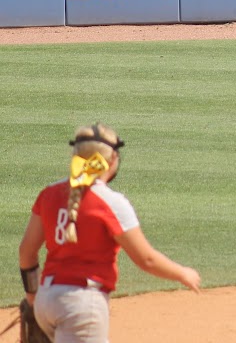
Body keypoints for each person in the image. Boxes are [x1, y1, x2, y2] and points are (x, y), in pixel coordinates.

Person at [17, 123, 201, 343]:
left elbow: (26, 252)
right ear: (113, 159)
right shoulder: (111, 203)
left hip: (46, 300)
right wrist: (182, 273)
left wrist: (32, 297)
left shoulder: (49, 193)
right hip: (81, 305)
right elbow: (146, 259)